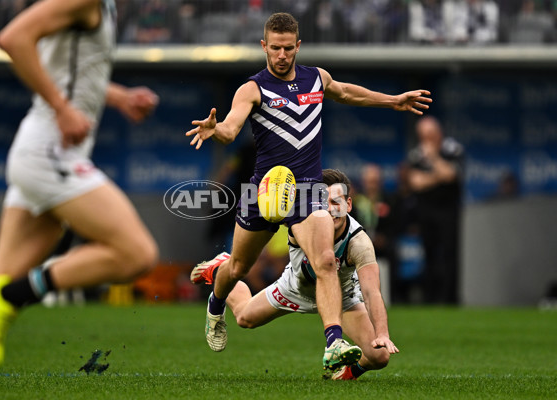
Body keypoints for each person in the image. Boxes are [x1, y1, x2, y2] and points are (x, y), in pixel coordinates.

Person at [185, 12, 430, 372]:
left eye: (288, 48)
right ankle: (216, 302)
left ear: (297, 46)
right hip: (264, 192)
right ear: (263, 46)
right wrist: (216, 129)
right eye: (275, 48)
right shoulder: (253, 88)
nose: (281, 55)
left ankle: (333, 343)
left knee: (326, 260)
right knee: (238, 266)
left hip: (307, 191)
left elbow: (346, 93)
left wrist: (393, 100)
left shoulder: (316, 78)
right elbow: (232, 127)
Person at [0, 0, 159, 366]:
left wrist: (119, 97)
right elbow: (12, 39)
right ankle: (12, 296)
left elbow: (75, 72)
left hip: (43, 154)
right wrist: (63, 109)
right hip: (51, 155)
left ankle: (2, 295)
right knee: (136, 253)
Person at [191, 169, 398, 380]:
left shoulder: (359, 242)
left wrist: (382, 334)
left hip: (342, 298)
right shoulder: (303, 223)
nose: (330, 208)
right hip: (294, 289)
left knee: (379, 356)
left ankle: (346, 374)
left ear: (349, 205)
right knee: (244, 318)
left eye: (336, 202)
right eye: (322, 201)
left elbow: (372, 292)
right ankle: (223, 267)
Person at [407, 115, 464, 305]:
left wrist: (433, 158)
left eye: (430, 134)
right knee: (428, 253)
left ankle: (450, 299)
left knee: (449, 254)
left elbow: (451, 175)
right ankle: (430, 299)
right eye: (423, 135)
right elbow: (415, 182)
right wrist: (438, 175)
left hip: (448, 211)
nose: (427, 139)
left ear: (438, 133)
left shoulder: (452, 149)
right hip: (426, 211)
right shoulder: (416, 154)